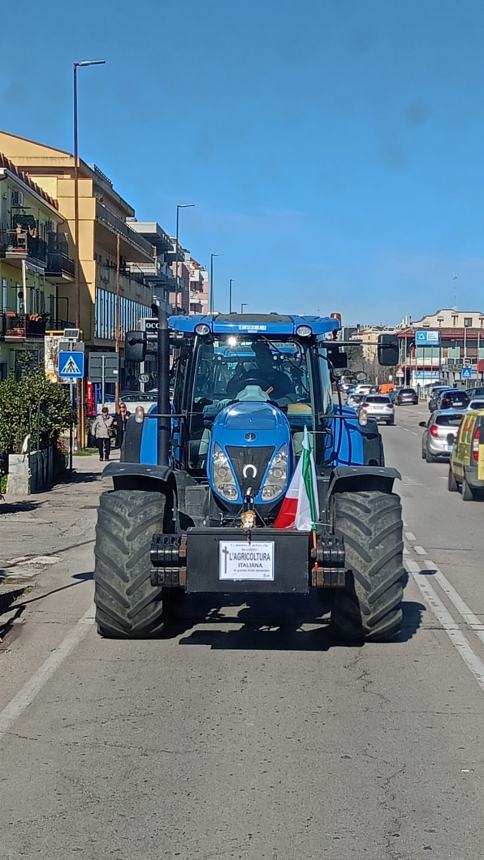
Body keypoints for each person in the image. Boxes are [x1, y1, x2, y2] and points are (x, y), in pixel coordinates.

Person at [227, 341, 293, 400]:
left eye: (263, 356)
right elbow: (230, 391)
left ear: (270, 358)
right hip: (247, 408)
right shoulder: (250, 375)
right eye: (258, 356)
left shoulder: (282, 378)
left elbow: (289, 399)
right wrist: (237, 375)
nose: (261, 359)